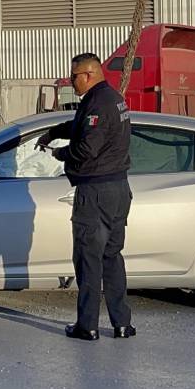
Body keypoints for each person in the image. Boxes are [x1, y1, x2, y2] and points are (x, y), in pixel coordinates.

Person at [38, 53, 135, 341]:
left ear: (89, 74)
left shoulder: (97, 103)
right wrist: (55, 131)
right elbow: (85, 127)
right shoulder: (112, 99)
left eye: (74, 77)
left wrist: (58, 153)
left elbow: (87, 148)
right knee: (111, 258)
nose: (71, 82)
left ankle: (87, 325)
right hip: (118, 189)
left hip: (95, 192)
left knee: (88, 259)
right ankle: (121, 324)